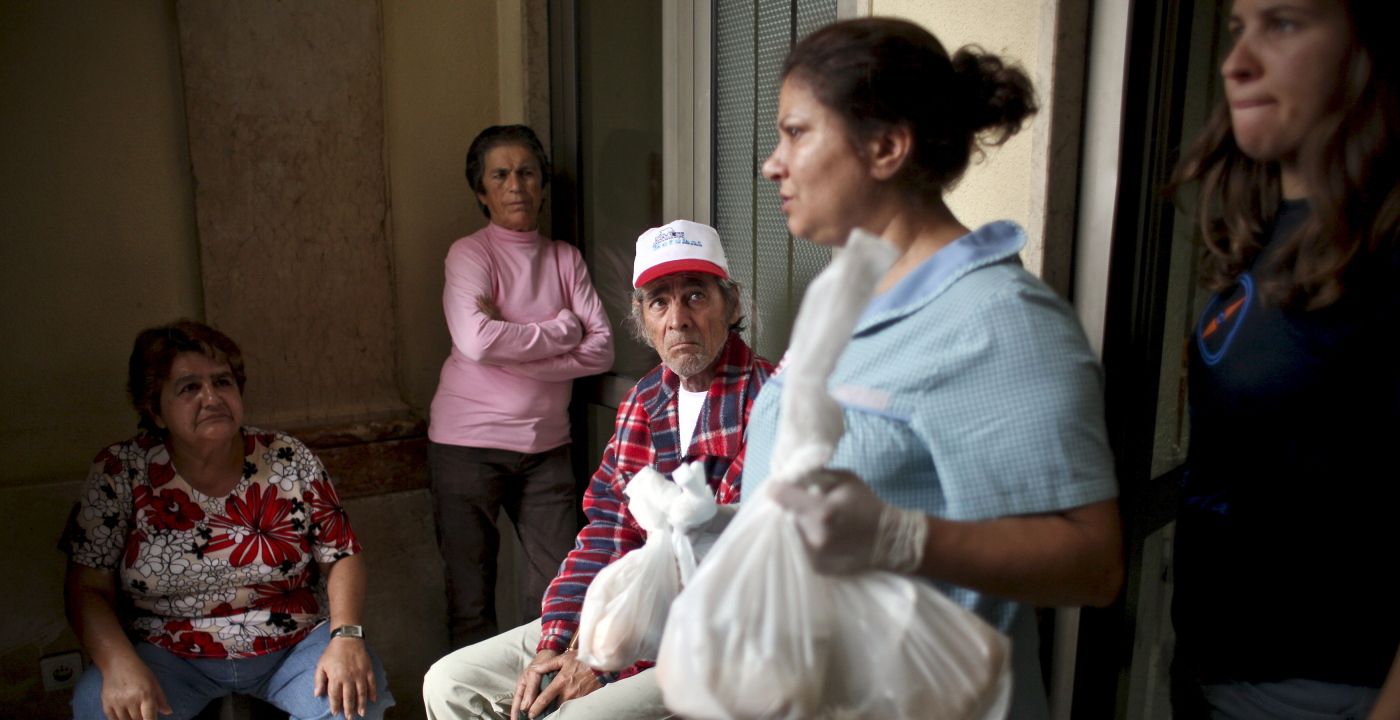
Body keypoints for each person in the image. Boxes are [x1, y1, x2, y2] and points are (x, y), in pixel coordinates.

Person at [745, 17, 1123, 718]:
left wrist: (902, 536)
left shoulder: (1001, 320)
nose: (773, 164)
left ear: (886, 147)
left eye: (796, 133)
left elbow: (1094, 564)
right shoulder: (846, 300)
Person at [422, 220, 775, 720]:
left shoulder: (771, 403)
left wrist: (606, 662)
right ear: (643, 320)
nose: (678, 319)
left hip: (722, 633)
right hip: (628, 612)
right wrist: (556, 639)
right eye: (659, 302)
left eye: (695, 296)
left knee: (579, 716)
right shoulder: (645, 401)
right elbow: (607, 532)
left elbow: (729, 571)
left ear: (731, 304)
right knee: (452, 682)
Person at [1168, 1, 1399, 717]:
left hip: (1319, 695)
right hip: (1212, 673)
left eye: (1285, 23)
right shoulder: (1280, 227)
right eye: (1239, 27)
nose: (1235, 63)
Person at [62, 320, 394, 720]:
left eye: (222, 382)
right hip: (166, 654)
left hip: (293, 643)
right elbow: (87, 588)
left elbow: (341, 554)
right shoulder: (121, 471)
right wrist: (118, 663)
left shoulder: (287, 457)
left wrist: (346, 637)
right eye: (189, 388)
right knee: (99, 707)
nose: (212, 397)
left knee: (354, 702)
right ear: (155, 410)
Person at [429, 124, 614, 650]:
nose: (516, 185)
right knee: (470, 600)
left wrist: (512, 349)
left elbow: (602, 350)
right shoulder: (470, 255)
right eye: (501, 175)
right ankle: (472, 694)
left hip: (547, 450)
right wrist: (563, 330)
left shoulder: (564, 259)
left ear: (542, 184)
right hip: (467, 447)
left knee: (559, 594)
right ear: (481, 191)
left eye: (527, 172)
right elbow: (477, 341)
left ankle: (536, 693)